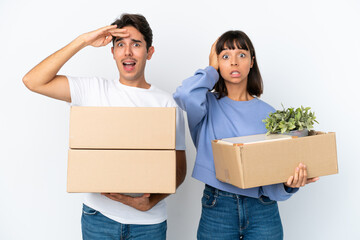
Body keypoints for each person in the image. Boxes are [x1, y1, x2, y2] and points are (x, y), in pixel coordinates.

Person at [23, 13, 186, 240]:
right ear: (112, 52)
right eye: (120, 44)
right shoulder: (93, 90)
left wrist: (150, 201)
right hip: (98, 218)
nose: (127, 52)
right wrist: (82, 40)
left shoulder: (167, 103)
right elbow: (33, 81)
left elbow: (179, 170)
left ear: (149, 52)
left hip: (148, 223)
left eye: (136, 44)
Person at [173, 30, 319, 240]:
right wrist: (211, 69)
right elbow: (184, 94)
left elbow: (274, 176)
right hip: (218, 207)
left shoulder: (270, 115)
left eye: (241, 54)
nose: (234, 62)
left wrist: (288, 186)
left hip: (263, 209)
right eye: (225, 56)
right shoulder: (204, 105)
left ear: (252, 62)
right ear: (217, 63)